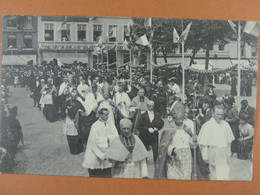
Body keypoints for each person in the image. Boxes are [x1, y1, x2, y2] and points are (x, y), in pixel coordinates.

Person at [155, 102, 193, 180]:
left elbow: (191, 143)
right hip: (173, 161)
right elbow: (163, 148)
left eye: (181, 119)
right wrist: (172, 150)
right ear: (173, 119)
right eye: (177, 119)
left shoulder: (187, 129)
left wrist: (194, 140)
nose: (179, 121)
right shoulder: (168, 130)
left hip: (186, 161)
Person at [198, 104, 235, 180]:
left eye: (221, 114)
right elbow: (203, 144)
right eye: (218, 114)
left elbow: (228, 142)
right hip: (213, 154)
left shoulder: (226, 125)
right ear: (213, 114)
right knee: (214, 177)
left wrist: (228, 153)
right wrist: (205, 157)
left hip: (224, 155)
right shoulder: (207, 126)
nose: (220, 116)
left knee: (224, 176)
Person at [82, 108, 118, 178]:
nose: (107, 116)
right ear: (100, 115)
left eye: (108, 115)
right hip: (95, 152)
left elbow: (115, 135)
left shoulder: (110, 124)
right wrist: (107, 139)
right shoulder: (95, 126)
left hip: (107, 152)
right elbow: (95, 140)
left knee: (106, 174)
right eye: (105, 115)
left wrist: (110, 139)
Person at [138, 101, 164, 165]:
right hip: (145, 136)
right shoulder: (143, 115)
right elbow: (139, 126)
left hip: (154, 136)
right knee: (144, 150)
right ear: (147, 106)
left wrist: (157, 128)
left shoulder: (156, 114)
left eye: (152, 106)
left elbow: (161, 123)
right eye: (149, 106)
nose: (151, 107)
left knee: (155, 150)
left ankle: (156, 164)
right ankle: (144, 163)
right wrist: (147, 129)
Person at [61, 88, 85, 155]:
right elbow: (63, 108)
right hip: (69, 121)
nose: (73, 98)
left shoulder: (78, 102)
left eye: (75, 97)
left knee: (77, 135)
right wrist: (65, 110)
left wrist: (80, 111)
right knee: (70, 136)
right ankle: (73, 150)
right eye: (72, 97)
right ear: (70, 96)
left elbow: (83, 109)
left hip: (76, 121)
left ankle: (79, 149)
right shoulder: (67, 102)